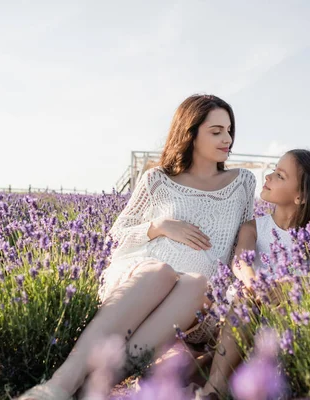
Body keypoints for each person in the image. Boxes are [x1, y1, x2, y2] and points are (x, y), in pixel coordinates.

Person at [19, 94, 257, 400]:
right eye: (216, 131)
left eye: (229, 130)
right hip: (143, 276)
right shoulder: (157, 180)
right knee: (160, 271)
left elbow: (245, 239)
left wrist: (249, 278)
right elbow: (118, 233)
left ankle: (91, 387)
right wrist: (160, 227)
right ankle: (60, 385)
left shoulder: (242, 182)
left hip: (195, 300)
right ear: (191, 133)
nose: (227, 139)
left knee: (197, 282)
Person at [198, 149, 310, 399]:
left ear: (301, 196)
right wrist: (255, 285)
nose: (269, 177)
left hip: (294, 312)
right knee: (244, 302)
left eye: (280, 175)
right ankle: (214, 389)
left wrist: (289, 286)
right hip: (251, 307)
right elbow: (242, 262)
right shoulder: (253, 227)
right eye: (273, 170)